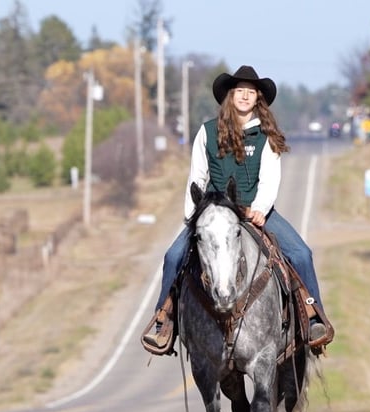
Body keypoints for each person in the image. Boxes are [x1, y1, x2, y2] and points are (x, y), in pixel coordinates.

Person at [142, 65, 333, 354]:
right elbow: (197, 177)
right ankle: (164, 318)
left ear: (258, 98)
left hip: (257, 212)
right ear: (230, 96)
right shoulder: (207, 132)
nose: (244, 96)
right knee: (173, 256)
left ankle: (312, 317)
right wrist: (193, 219)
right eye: (239, 91)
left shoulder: (265, 134)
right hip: (214, 214)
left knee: (301, 254)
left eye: (250, 92)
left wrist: (259, 208)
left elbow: (270, 178)